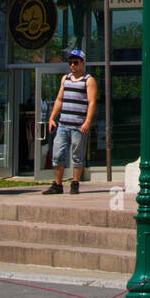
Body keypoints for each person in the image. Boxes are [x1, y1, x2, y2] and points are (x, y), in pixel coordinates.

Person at [42, 50, 96, 195]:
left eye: (76, 62)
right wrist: (52, 117)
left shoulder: (88, 80)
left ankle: (75, 183)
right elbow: (59, 99)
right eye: (70, 62)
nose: (72, 65)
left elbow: (91, 103)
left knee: (77, 155)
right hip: (63, 124)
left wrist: (87, 122)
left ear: (83, 63)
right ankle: (57, 185)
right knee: (57, 154)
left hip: (78, 125)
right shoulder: (65, 79)